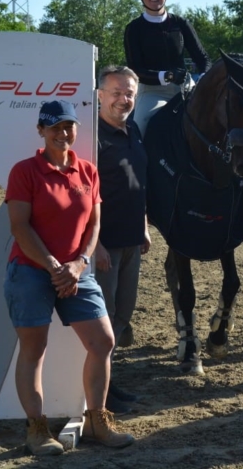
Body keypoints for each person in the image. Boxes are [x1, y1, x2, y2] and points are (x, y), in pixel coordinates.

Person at [4, 100, 134, 455]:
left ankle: (96, 419)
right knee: (35, 349)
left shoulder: (88, 171)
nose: (63, 133)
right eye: (55, 127)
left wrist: (79, 264)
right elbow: (19, 226)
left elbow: (94, 225)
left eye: (69, 127)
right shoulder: (25, 171)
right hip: (30, 270)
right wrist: (54, 266)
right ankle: (36, 429)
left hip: (74, 270)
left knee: (103, 342)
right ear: (41, 131)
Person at [94, 66, 150, 413]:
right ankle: (100, 392)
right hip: (105, 245)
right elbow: (83, 195)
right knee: (104, 318)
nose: (123, 99)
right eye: (116, 92)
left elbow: (138, 181)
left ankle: (108, 382)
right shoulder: (90, 138)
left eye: (129, 93)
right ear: (100, 94)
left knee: (122, 314)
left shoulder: (134, 130)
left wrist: (143, 224)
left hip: (132, 240)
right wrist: (94, 243)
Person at [124, 0, 211, 137]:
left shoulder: (181, 24)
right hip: (152, 92)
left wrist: (202, 78)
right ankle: (138, 162)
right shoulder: (134, 29)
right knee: (140, 128)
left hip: (186, 87)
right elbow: (135, 70)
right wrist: (167, 76)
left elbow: (203, 58)